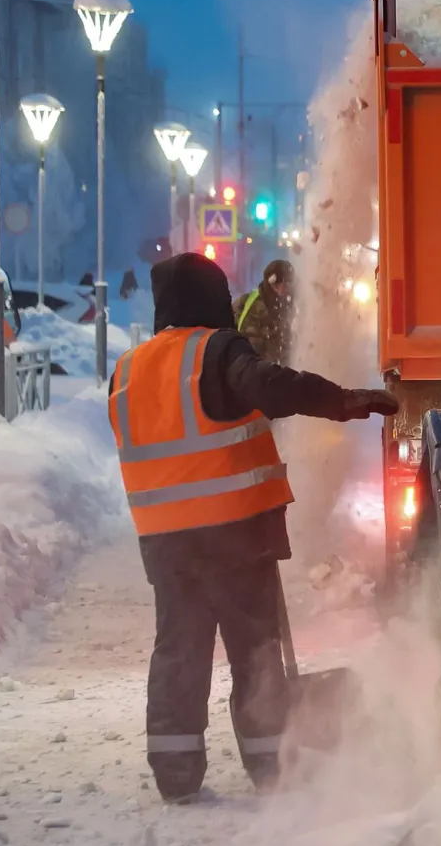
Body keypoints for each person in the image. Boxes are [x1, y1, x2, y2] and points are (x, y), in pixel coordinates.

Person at [109, 253, 397, 803]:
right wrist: (343, 401)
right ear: (210, 301)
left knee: (179, 649)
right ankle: (271, 764)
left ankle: (175, 774)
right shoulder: (214, 352)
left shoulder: (127, 371)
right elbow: (268, 385)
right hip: (233, 535)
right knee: (255, 647)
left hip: (165, 543)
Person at [235, 259, 295, 365]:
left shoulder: (295, 303)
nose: (282, 289)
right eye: (278, 285)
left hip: (284, 368)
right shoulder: (249, 304)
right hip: (253, 366)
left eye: (286, 284)